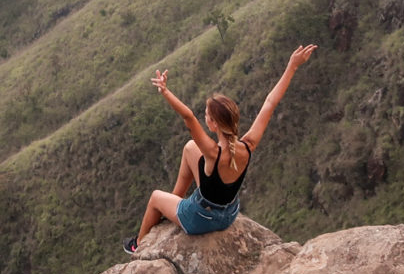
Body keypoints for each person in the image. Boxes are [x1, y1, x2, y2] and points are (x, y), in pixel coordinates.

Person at [123, 44, 317, 254]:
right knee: (190, 149)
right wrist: (292, 66)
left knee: (155, 197)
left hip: (200, 219)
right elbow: (270, 102)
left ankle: (138, 245)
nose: (204, 117)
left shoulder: (212, 154)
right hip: (229, 214)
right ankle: (174, 202)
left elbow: (188, 117)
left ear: (213, 124)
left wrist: (165, 91)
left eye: (206, 115)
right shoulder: (247, 146)